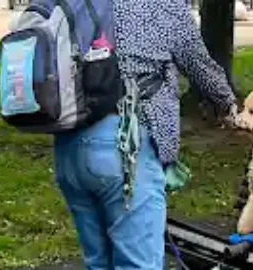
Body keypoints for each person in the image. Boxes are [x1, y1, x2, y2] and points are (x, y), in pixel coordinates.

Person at [52, 0, 238, 268]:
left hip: (69, 145)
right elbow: (198, 63)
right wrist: (229, 105)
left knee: (98, 262)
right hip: (125, 147)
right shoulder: (161, 4)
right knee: (139, 263)